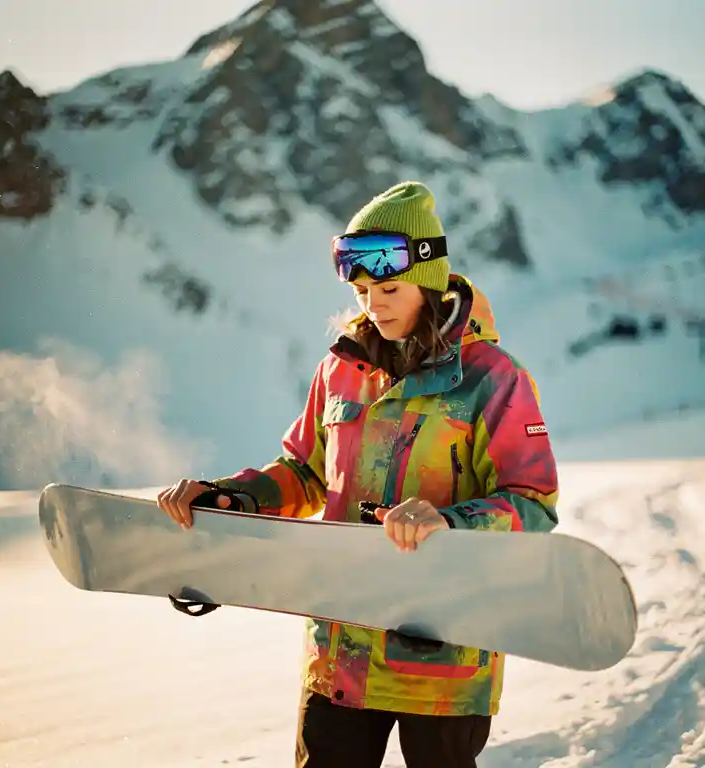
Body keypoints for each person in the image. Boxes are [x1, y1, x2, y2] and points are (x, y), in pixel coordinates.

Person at [157, 180, 560, 767]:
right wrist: (230, 499)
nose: (375, 304)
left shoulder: (493, 380)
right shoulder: (342, 370)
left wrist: (449, 523)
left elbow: (533, 503)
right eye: (363, 291)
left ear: (429, 281)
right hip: (342, 649)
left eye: (390, 288)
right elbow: (304, 472)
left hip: (442, 652)